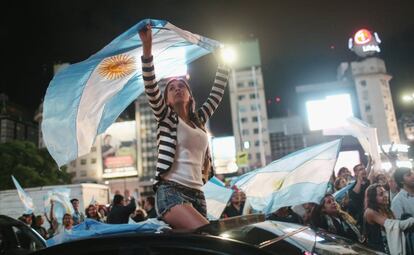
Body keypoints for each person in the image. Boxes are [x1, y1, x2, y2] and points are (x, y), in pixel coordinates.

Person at [139, 24, 229, 230]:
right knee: (206, 236)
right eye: (171, 88)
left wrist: (222, 59)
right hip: (171, 191)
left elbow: (218, 90)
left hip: (198, 193)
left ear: (190, 96)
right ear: (167, 100)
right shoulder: (166, 118)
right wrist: (147, 48)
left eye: (181, 87)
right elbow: (151, 84)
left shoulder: (199, 120)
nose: (177, 89)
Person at [364, 183, 414, 254]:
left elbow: (397, 227)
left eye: (385, 192)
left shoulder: (387, 209)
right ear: (373, 198)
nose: (385, 195)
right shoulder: (369, 211)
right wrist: (412, 219)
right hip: (378, 250)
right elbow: (396, 225)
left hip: (389, 247)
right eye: (381, 194)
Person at [347, 163, 370, 227]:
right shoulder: (351, 186)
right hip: (362, 218)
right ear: (356, 173)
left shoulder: (368, 182)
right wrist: (359, 179)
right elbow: (355, 194)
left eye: (364, 168)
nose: (363, 170)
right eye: (360, 169)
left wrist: (370, 162)